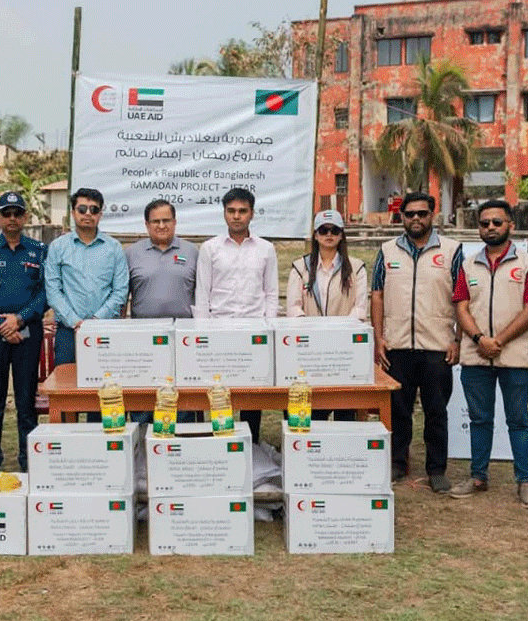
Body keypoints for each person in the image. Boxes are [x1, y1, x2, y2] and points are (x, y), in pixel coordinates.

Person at [450, 199, 528, 509]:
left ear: (510, 226)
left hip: (514, 355)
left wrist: (498, 340)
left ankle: (525, 481)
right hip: (476, 354)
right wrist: (478, 338)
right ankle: (478, 476)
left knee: (518, 420)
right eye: (484, 223)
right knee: (479, 419)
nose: (490, 227)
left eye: (497, 222)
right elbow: (460, 307)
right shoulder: (466, 265)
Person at [371, 192, 463, 492]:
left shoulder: (452, 250)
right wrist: (379, 337)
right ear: (401, 216)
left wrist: (457, 338)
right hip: (397, 346)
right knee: (399, 409)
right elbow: (378, 295)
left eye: (421, 213)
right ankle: (398, 462)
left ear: (432, 216)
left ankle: (437, 469)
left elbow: (462, 298)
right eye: (409, 214)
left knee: (436, 410)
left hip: (437, 345)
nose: (415, 219)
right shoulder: (386, 251)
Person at [194, 187, 279, 441]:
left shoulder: (266, 249)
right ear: (224, 214)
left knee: (252, 394)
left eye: (242, 211)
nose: (237, 216)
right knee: (222, 394)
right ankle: (224, 443)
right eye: (231, 211)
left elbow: (271, 293)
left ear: (252, 214)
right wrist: (202, 335)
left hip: (255, 332)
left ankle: (252, 444)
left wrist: (270, 329)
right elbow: (203, 293)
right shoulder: (210, 248)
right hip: (220, 331)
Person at [0, 191, 47, 472]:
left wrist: (20, 319)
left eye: (18, 213)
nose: (12, 218)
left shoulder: (39, 250)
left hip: (28, 330)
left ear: (25, 217)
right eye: (7, 213)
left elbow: (44, 293)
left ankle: (29, 462)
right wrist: (2, 325)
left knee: (26, 400)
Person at [286, 208, 368, 422]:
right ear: (315, 234)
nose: (328, 234)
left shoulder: (356, 268)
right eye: (323, 230)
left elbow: (360, 308)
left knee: (345, 411)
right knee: (313, 413)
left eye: (334, 230)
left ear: (341, 234)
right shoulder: (300, 267)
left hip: (343, 350)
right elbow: (293, 308)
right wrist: (312, 332)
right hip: (309, 350)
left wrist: (337, 332)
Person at [125, 198, 200, 424]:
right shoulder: (131, 254)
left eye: (166, 220)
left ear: (175, 222)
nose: (161, 225)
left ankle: (183, 441)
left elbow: (203, 293)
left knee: (183, 395)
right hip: (143, 339)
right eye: (155, 221)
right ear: (147, 225)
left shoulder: (192, 251)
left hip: (183, 339)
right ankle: (143, 439)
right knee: (145, 394)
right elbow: (122, 297)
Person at [44, 187, 129, 366]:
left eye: (94, 209)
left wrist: (96, 321)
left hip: (105, 328)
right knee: (67, 386)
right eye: (82, 209)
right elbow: (53, 291)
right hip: (68, 330)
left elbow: (120, 291)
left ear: (100, 214)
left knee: (106, 385)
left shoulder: (114, 248)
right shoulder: (58, 247)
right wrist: (75, 322)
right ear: (73, 212)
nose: (88, 214)